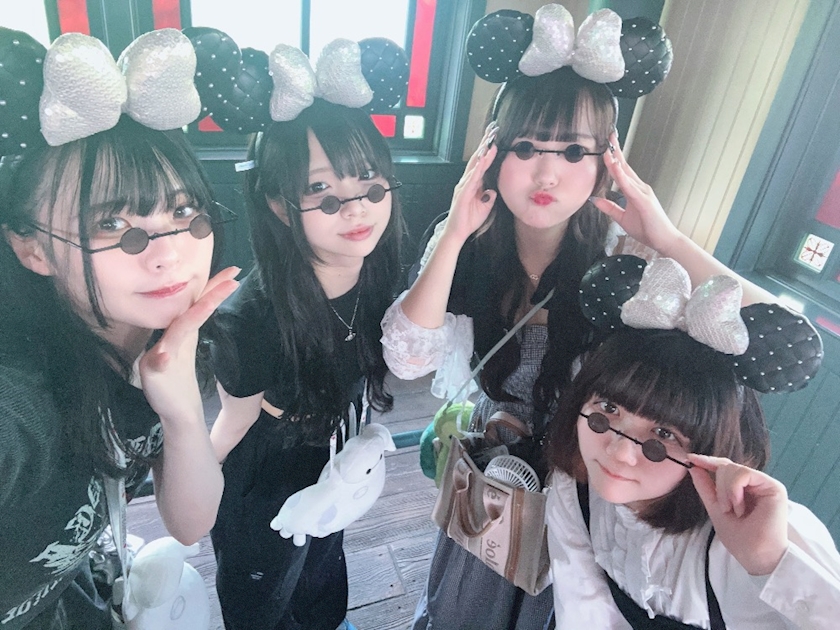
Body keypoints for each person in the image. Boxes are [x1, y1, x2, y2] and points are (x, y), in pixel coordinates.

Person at [379, 8, 776, 629]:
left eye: (573, 151)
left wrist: (668, 239)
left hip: (588, 482)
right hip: (497, 468)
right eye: (525, 148)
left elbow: (774, 334)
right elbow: (407, 358)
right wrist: (453, 233)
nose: (547, 173)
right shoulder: (465, 243)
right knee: (469, 605)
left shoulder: (627, 255)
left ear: (604, 161)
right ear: (492, 152)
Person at [0, 30, 239, 629]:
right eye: (112, 223)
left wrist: (182, 411)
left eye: (183, 211)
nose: (168, 255)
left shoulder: (162, 339)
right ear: (31, 249)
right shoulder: (18, 397)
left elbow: (191, 523)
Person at [207, 94, 405, 628]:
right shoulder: (249, 318)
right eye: (322, 191)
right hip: (267, 467)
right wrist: (196, 492)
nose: (356, 207)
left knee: (323, 564)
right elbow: (232, 427)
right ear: (279, 204)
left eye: (367, 180)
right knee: (263, 587)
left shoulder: (377, 273)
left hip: (336, 444)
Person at [545, 308, 839, 628]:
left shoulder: (765, 529)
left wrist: (769, 561)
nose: (619, 453)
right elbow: (582, 608)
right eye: (608, 408)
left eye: (663, 434)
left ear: (710, 450)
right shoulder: (574, 490)